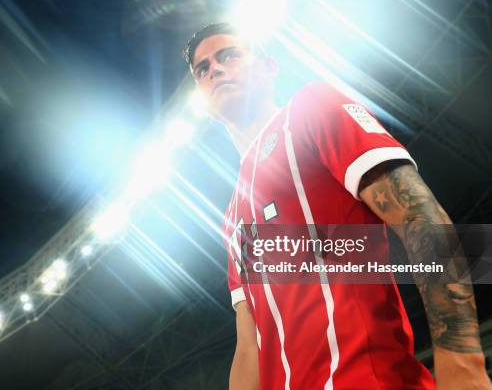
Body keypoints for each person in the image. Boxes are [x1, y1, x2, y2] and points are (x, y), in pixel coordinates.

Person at [183, 22, 491, 390]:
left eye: (229, 55)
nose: (214, 69)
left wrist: (463, 366)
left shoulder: (310, 109)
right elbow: (249, 345)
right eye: (202, 68)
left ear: (268, 67)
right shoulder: (232, 216)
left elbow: (419, 216)